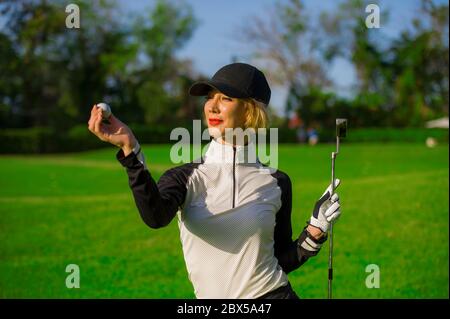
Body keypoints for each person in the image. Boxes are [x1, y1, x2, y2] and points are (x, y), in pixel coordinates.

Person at [87, 63, 342, 299]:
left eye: (225, 98)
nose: (212, 106)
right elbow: (155, 217)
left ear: (250, 111)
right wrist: (130, 150)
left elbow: (280, 260)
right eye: (210, 98)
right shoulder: (185, 177)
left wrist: (315, 231)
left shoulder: (277, 182)